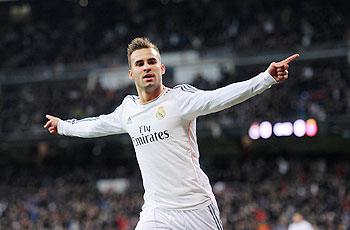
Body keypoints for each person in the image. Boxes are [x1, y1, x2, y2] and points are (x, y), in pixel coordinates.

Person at [44, 37, 299, 230]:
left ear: (162, 68)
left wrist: (266, 79)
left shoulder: (180, 99)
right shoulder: (128, 110)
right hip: (157, 211)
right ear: (131, 73)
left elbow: (219, 98)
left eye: (152, 62)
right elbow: (96, 125)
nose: (147, 67)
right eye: (140, 64)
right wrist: (63, 126)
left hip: (196, 208)